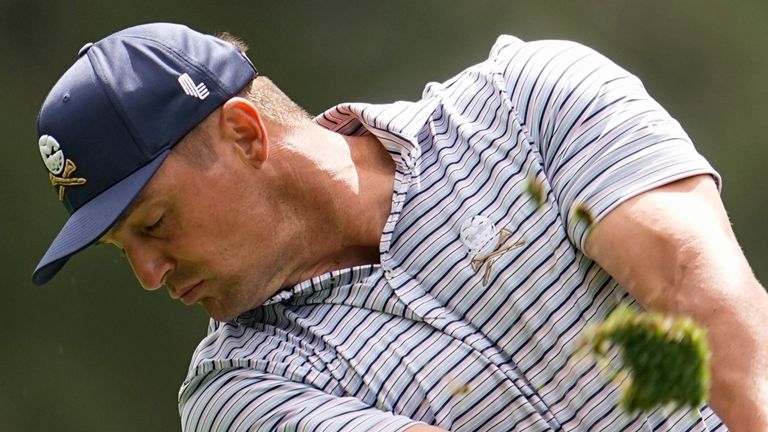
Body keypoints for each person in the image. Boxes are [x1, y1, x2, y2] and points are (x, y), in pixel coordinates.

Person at [32, 22, 767, 431]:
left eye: (154, 224)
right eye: (119, 250)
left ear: (246, 135)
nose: (149, 274)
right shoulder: (236, 392)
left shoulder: (527, 102)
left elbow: (699, 289)